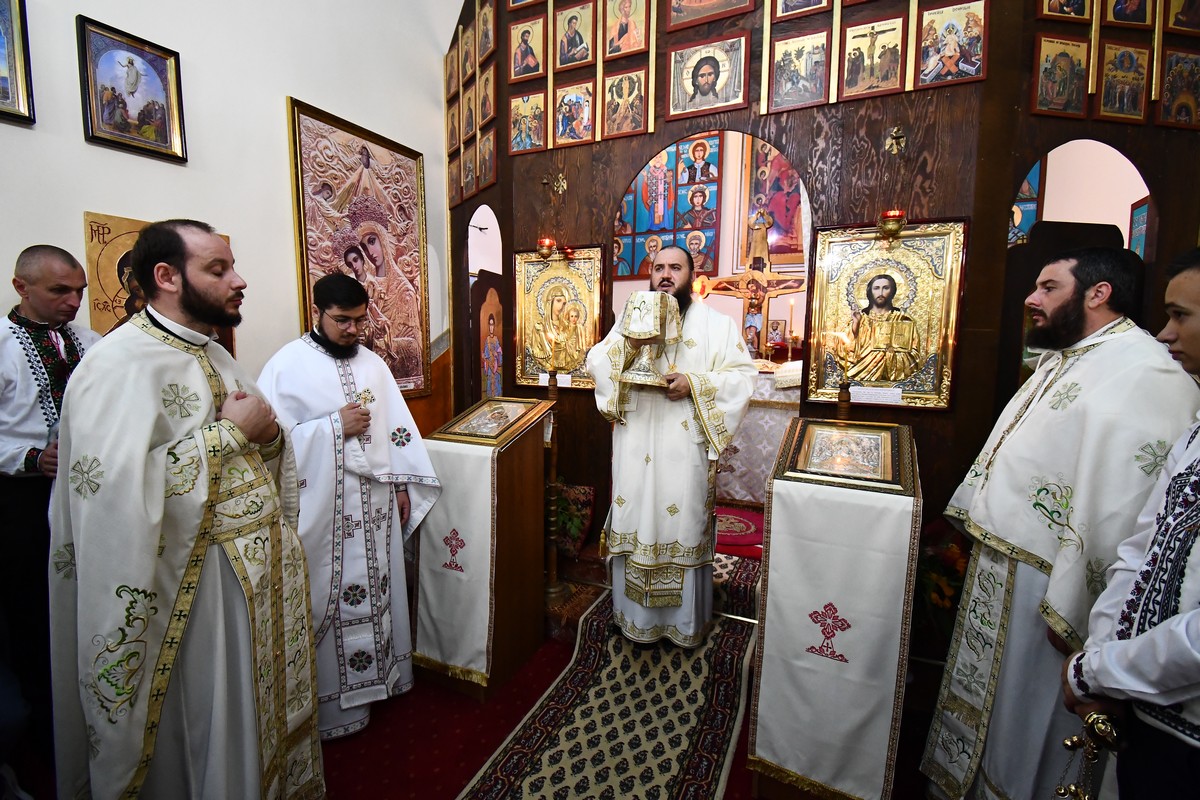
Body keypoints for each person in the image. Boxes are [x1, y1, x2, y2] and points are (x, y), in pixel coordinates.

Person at [48, 219, 324, 799]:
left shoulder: (217, 356)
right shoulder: (116, 365)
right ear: (167, 276)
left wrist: (268, 436)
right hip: (187, 598)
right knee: (204, 724)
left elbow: (258, 446)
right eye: (219, 269)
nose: (239, 281)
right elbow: (111, 499)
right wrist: (227, 436)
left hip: (248, 584)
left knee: (246, 715)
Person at [922, 247, 1200, 800]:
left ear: (1098, 293)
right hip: (1006, 571)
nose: (1031, 299)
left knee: (1030, 726)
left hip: (1056, 588)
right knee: (993, 712)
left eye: (1049, 287)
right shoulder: (1069, 355)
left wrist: (1080, 608)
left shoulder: (1146, 370)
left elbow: (1131, 506)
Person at [258, 274, 441, 741]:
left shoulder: (374, 365)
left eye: (360, 320)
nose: (353, 330)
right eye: (342, 321)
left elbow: (396, 431)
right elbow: (269, 447)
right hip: (324, 517)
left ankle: (384, 680)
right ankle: (333, 707)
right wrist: (331, 427)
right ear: (316, 313)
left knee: (380, 587)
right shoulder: (285, 368)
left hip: (375, 509)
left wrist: (401, 484)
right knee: (328, 599)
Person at [1059, 248, 1200, 795]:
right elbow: (1143, 548)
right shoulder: (1195, 433)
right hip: (1143, 711)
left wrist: (1100, 671)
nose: (1165, 333)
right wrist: (1101, 661)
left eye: (1181, 315)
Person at [586, 245, 756, 646]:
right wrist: (628, 344)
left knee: (681, 524)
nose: (665, 274)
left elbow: (742, 377)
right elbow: (597, 363)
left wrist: (695, 384)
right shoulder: (632, 319)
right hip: (636, 446)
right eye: (658, 267)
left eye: (674, 268)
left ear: (691, 274)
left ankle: (682, 625)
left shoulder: (717, 325)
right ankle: (633, 620)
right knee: (637, 521)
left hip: (684, 450)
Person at [0, 245, 100, 788]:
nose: (74, 301)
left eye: (80, 289)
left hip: (93, 498)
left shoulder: (94, 343)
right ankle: (48, 737)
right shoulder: (0, 344)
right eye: (60, 290)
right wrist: (30, 457)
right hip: (23, 503)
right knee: (37, 617)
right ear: (21, 287)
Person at [834, 274, 921, 383]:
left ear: (892, 292)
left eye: (885, 288)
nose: (880, 293)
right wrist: (855, 326)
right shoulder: (860, 320)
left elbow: (915, 355)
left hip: (896, 376)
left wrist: (892, 356)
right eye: (876, 288)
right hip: (862, 372)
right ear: (870, 292)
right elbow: (845, 350)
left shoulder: (903, 321)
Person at [482, 312, 503, 396]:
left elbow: (500, 354)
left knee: (497, 386)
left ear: (494, 326)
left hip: (495, 368)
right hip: (490, 369)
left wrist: (497, 354)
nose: (491, 327)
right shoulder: (487, 340)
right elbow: (485, 354)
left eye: (492, 325)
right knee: (490, 386)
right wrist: (484, 357)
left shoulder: (496, 339)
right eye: (490, 325)